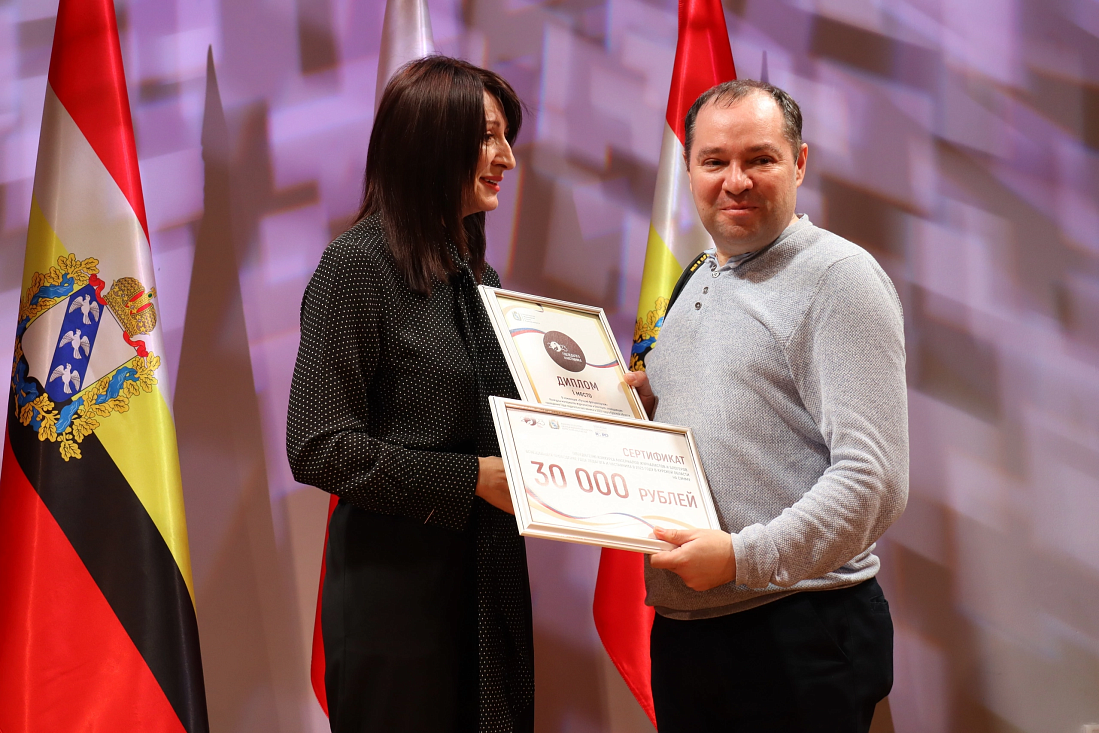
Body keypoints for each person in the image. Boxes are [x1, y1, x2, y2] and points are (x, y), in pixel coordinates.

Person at [623, 79, 908, 732]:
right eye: (714, 161)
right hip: (688, 629)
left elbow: (873, 479)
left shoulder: (839, 279)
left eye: (759, 159)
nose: (735, 181)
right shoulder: (698, 274)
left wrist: (741, 558)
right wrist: (639, 403)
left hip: (795, 629)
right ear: (688, 168)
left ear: (799, 163)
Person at [286, 57, 533, 733]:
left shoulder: (480, 276)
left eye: (506, 137)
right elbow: (318, 445)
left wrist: (603, 404)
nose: (507, 158)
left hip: (487, 582)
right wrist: (468, 479)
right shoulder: (355, 266)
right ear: (431, 139)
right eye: (488, 136)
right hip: (397, 597)